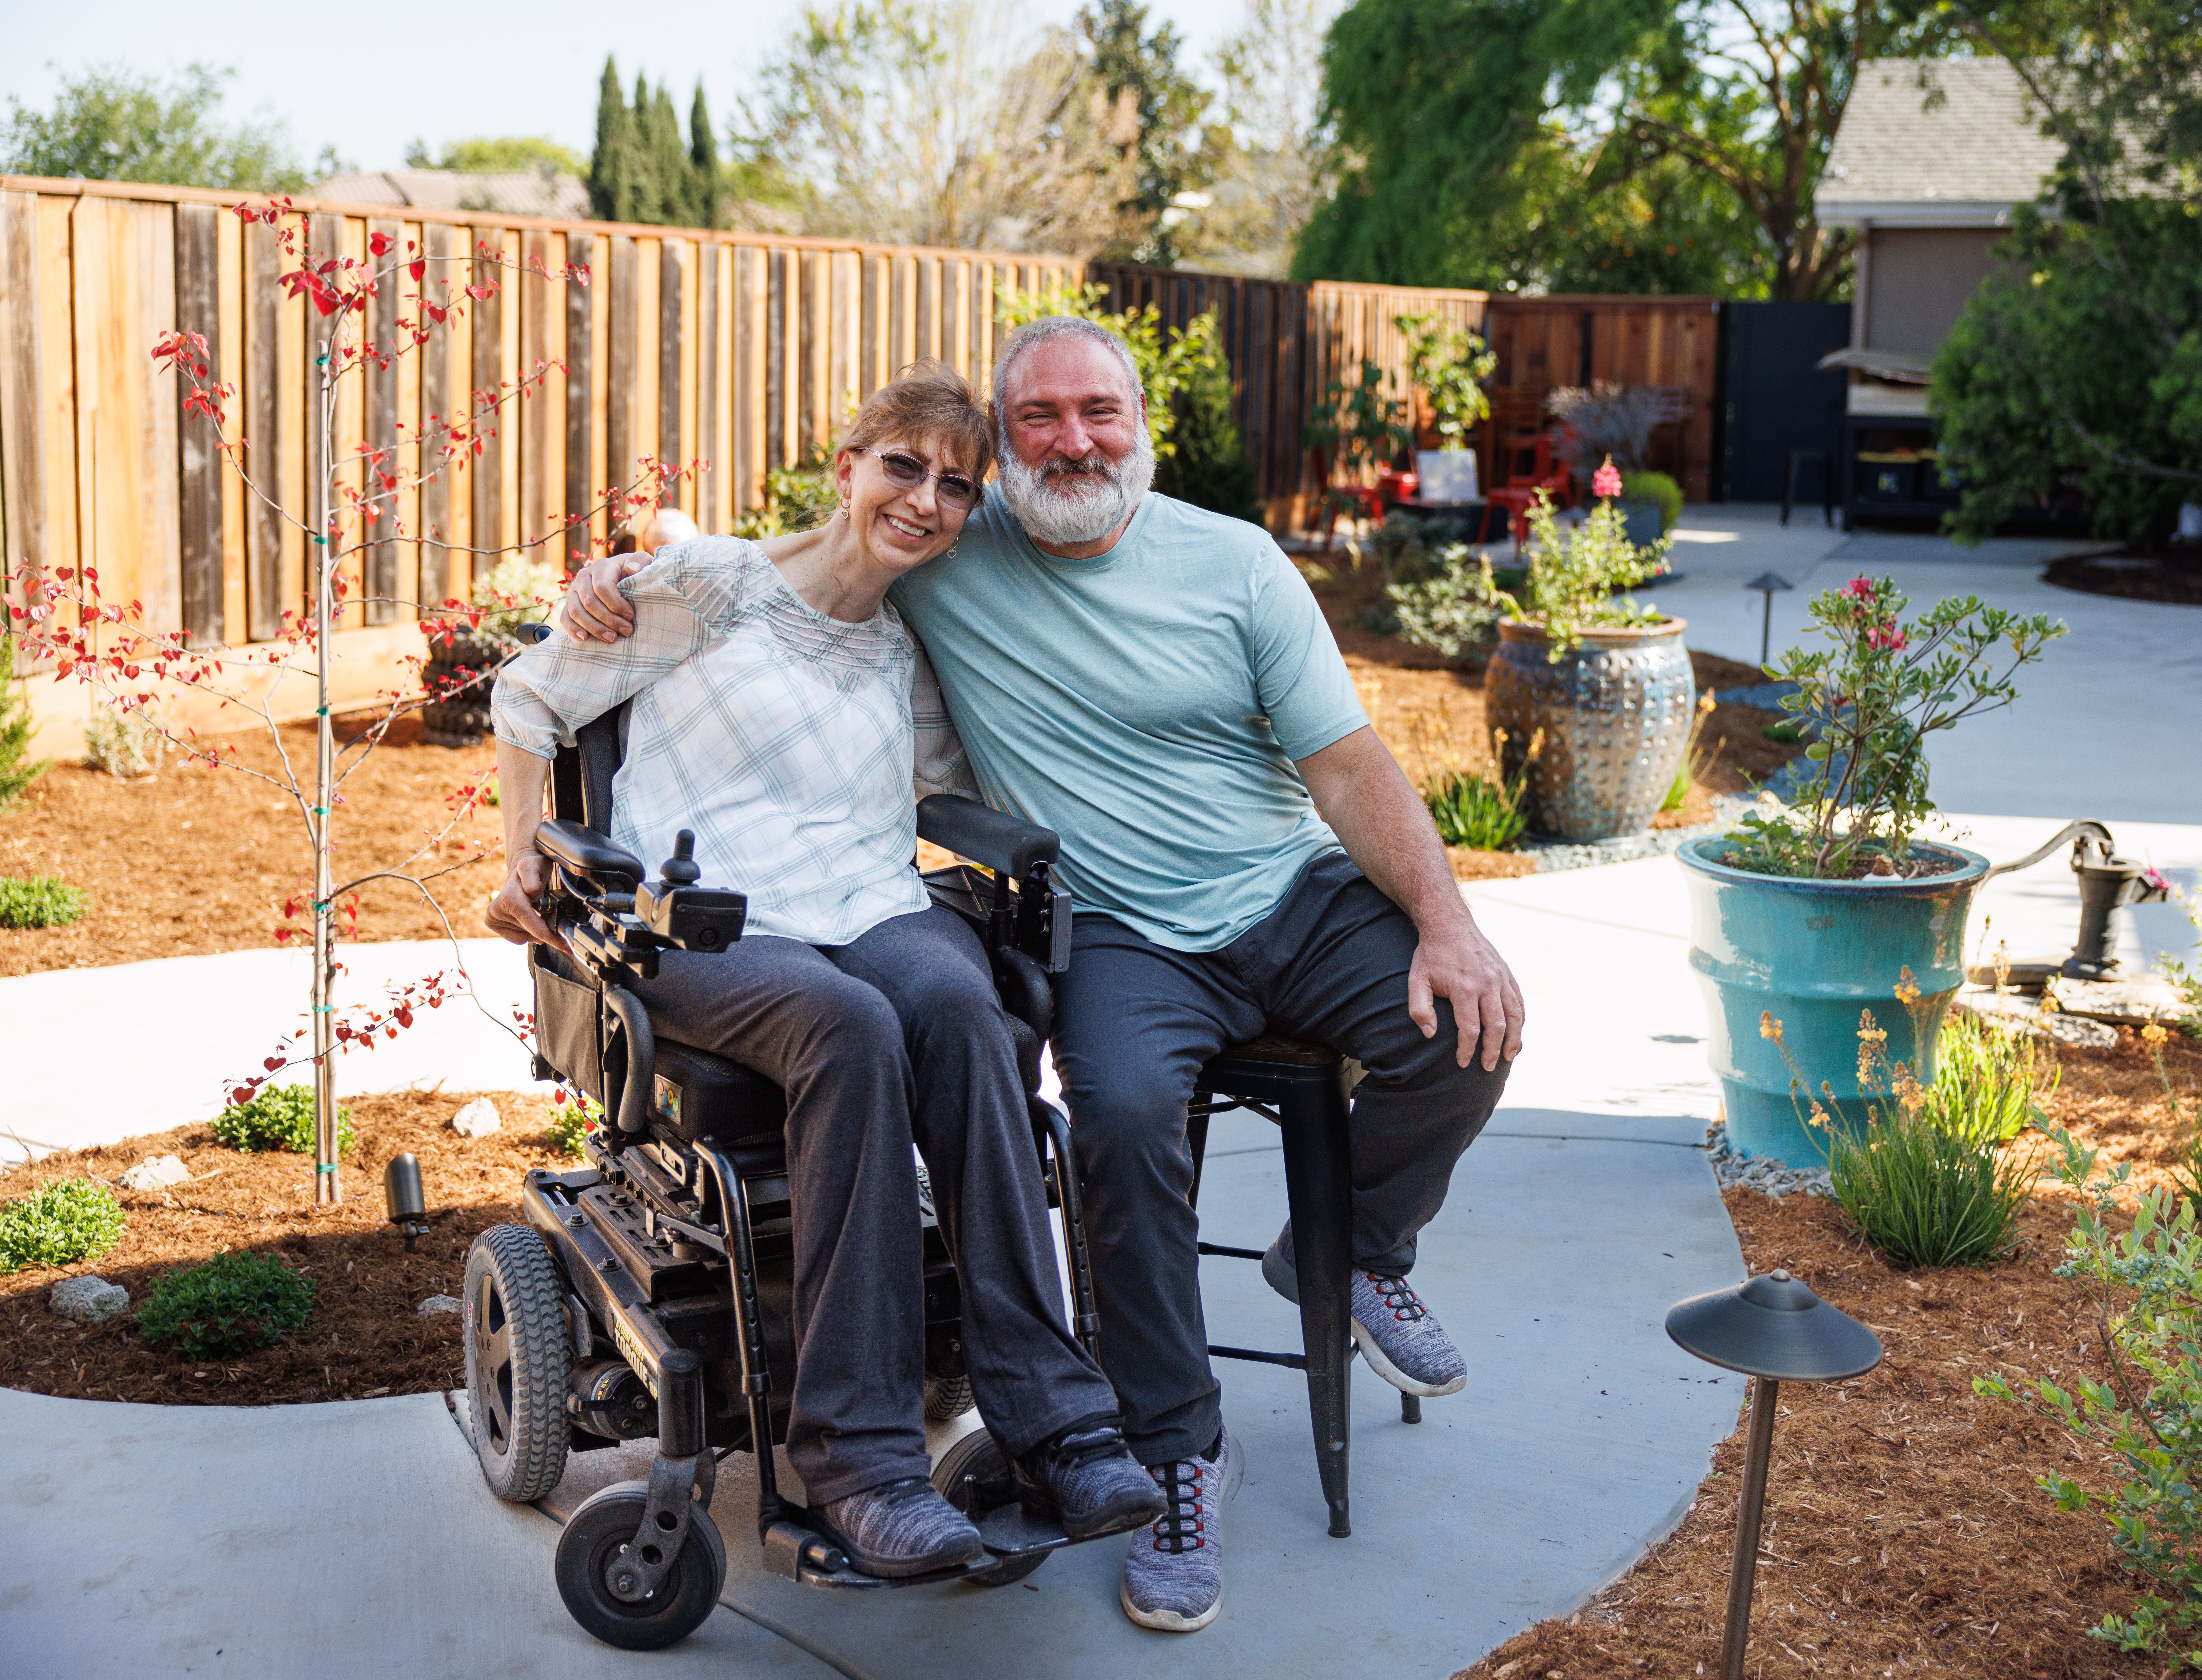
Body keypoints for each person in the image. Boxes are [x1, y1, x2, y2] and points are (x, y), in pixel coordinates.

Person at [559, 318, 1526, 1634]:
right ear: (1002, 449)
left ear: (1140, 423)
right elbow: (796, 566)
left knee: (1465, 1029)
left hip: (1287, 892)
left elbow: (1347, 763)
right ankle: (1174, 1449)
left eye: (1098, 414)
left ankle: (1346, 1249)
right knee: (1114, 1118)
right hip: (1125, 935)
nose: (1071, 442)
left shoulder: (1234, 563)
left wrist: (1446, 920)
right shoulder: (949, 549)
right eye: (1036, 423)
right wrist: (623, 579)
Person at [484, 361, 1165, 1579]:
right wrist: (526, 862)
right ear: (847, 469)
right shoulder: (718, 583)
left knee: (964, 1008)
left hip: (867, 900)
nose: (925, 497)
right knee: (848, 1026)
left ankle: (1057, 1422)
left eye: (955, 485)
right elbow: (531, 698)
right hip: (700, 921)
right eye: (903, 465)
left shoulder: (904, 647)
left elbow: (952, 789)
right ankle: (861, 1465)